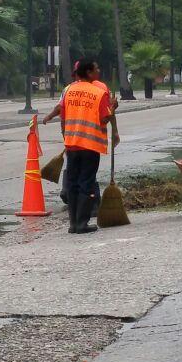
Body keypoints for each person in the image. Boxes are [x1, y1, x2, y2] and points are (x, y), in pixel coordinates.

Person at [43, 61, 118, 209]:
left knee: (76, 177)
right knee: (87, 178)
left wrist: (56, 123)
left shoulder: (69, 89)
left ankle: (75, 218)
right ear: (89, 72)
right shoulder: (100, 89)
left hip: (72, 139)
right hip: (90, 141)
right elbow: (105, 116)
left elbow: (62, 110)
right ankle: (88, 211)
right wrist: (114, 124)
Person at [60, 58, 117, 233]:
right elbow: (103, 119)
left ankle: (73, 224)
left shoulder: (68, 90)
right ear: (89, 72)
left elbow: (63, 116)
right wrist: (113, 107)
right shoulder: (99, 93)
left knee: (72, 183)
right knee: (86, 183)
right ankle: (82, 223)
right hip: (90, 145)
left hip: (72, 144)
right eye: (97, 69)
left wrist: (65, 136)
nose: (99, 71)